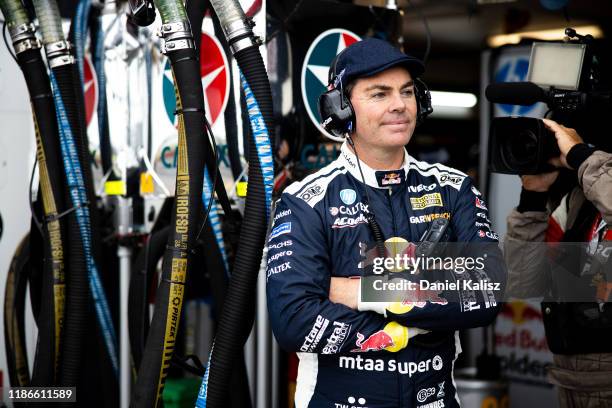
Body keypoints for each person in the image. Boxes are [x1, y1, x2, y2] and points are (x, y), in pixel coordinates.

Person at [266, 38, 506, 407]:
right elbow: (294, 319)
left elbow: (488, 291)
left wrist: (361, 293)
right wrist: (406, 328)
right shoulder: (305, 200)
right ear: (342, 108)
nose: (399, 105)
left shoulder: (452, 187)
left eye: (407, 92)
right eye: (379, 94)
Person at [505, 119, 612, 407]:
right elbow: (523, 282)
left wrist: (581, 157)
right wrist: (533, 197)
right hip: (571, 380)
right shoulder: (580, 199)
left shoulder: (595, 180)